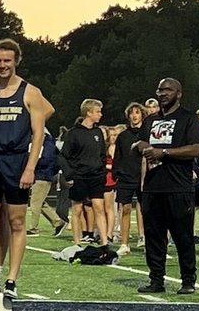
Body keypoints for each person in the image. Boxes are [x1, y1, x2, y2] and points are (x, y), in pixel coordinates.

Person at [0, 40, 50, 302]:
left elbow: (39, 134)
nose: (2, 65)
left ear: (16, 60)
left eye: (7, 60)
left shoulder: (31, 93)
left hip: (17, 162)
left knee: (17, 222)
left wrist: (30, 168)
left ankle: (12, 279)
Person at [132, 78, 199, 294]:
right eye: (160, 90)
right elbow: (138, 143)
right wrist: (143, 146)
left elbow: (197, 149)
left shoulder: (189, 119)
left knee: (183, 236)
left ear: (179, 93)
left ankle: (188, 280)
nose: (163, 93)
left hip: (179, 187)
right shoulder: (150, 120)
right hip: (153, 187)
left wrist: (164, 152)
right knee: (154, 238)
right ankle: (156, 280)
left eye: (168, 90)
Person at [63, 99, 110, 253]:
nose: (100, 114)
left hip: (96, 176)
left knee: (99, 208)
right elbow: (64, 156)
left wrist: (102, 170)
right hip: (79, 176)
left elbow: (103, 154)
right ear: (88, 113)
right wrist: (70, 174)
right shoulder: (73, 133)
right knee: (77, 209)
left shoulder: (98, 132)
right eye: (98, 111)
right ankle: (77, 242)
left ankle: (104, 242)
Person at [114, 102, 147, 255]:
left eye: (137, 112)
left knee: (147, 211)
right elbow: (118, 157)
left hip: (144, 178)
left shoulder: (147, 134)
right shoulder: (123, 136)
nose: (134, 116)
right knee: (125, 209)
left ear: (142, 115)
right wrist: (117, 173)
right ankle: (125, 244)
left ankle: (148, 241)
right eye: (132, 113)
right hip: (126, 178)